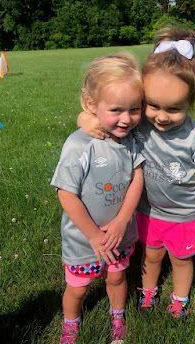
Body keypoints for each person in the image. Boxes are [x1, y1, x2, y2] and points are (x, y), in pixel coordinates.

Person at [77, 26, 195, 319]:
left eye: (174, 109)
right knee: (151, 255)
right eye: (152, 105)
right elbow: (101, 117)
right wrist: (85, 120)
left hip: (184, 215)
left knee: (182, 259)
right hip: (148, 211)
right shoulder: (139, 124)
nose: (161, 116)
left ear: (192, 99)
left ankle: (180, 298)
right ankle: (148, 291)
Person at [51, 52, 144, 344]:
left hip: (119, 237)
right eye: (116, 109)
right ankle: (71, 324)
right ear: (91, 105)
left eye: (134, 109)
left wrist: (122, 221)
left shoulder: (130, 140)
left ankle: (117, 317)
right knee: (78, 289)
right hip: (84, 242)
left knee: (117, 278)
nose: (127, 119)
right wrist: (92, 236)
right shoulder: (79, 144)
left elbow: (136, 178)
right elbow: (66, 193)